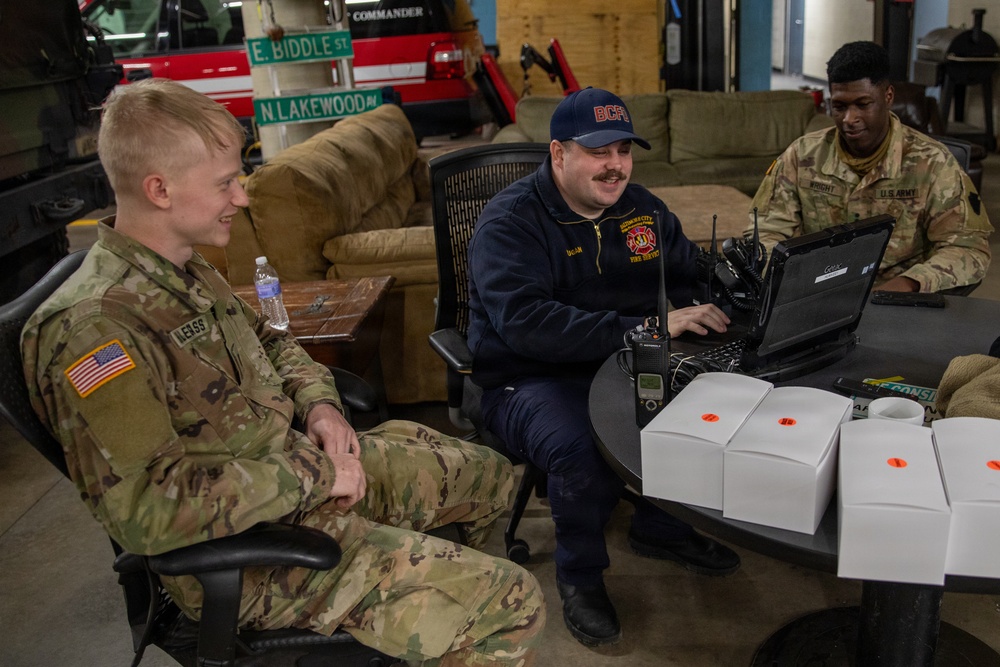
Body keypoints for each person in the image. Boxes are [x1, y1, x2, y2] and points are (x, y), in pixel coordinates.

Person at [20, 78, 544, 667]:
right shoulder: (94, 329)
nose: (241, 197)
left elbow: (275, 342)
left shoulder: (188, 270)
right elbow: (149, 509)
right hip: (247, 553)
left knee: (488, 476)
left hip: (294, 479)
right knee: (511, 601)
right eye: (224, 183)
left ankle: (427, 612)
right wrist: (316, 475)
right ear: (159, 190)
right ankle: (446, 610)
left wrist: (319, 405)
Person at [466, 87, 740, 647]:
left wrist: (738, 288)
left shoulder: (643, 209)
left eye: (623, 150)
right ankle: (580, 576)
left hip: (626, 358)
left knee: (708, 405)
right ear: (559, 154)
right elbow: (528, 325)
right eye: (598, 151)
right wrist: (651, 328)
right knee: (585, 446)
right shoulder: (510, 223)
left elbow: (691, 275)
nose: (615, 166)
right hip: (528, 376)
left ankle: (661, 526)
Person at [748, 41, 992, 293]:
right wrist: (792, 281)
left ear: (888, 96)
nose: (849, 119)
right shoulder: (802, 156)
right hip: (816, 293)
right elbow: (764, 233)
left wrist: (911, 283)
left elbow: (968, 249)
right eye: (840, 106)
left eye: (863, 105)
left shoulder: (932, 162)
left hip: (899, 302)